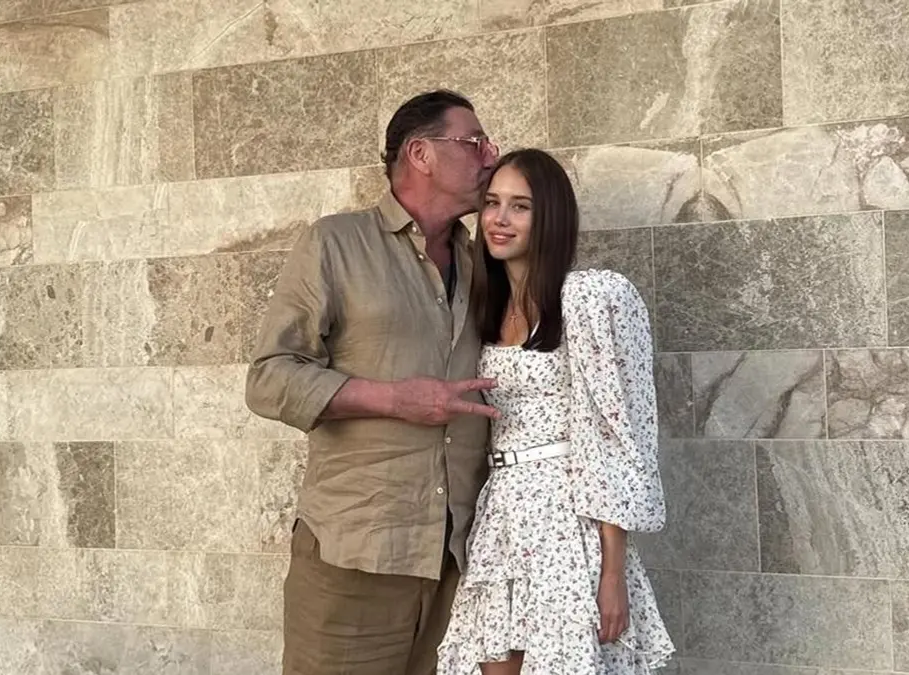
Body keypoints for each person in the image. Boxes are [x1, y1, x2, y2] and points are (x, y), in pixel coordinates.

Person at [243, 90, 502, 675]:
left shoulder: (485, 260)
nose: (490, 155)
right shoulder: (335, 243)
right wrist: (393, 399)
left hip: (458, 561)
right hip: (355, 558)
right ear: (420, 153)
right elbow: (269, 377)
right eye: (474, 142)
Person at [435, 148, 676, 675]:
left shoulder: (589, 297)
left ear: (551, 218)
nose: (500, 219)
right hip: (502, 516)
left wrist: (612, 573)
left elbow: (616, 436)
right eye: (492, 203)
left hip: (567, 520)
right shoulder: (482, 307)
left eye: (520, 206)